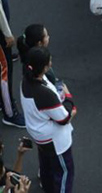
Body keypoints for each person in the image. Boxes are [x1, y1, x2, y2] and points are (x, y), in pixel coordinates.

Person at [20, 47, 76, 192]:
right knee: (64, 172)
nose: (51, 63)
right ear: (44, 67)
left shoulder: (26, 81)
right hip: (54, 141)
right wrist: (69, 98)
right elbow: (64, 118)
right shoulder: (43, 94)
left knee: (46, 166)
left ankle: (48, 188)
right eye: (49, 61)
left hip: (39, 135)